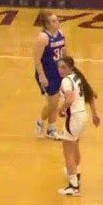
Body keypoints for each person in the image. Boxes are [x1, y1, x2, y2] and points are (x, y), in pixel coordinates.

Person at [54, 56, 100, 197]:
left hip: (73, 118)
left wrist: (60, 109)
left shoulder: (66, 81)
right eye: (59, 67)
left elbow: (69, 99)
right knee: (75, 147)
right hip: (82, 117)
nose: (60, 70)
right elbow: (90, 94)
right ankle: (77, 172)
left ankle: (73, 186)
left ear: (70, 68)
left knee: (67, 152)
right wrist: (94, 114)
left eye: (63, 67)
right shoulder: (77, 78)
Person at [32, 10, 66, 140]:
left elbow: (64, 53)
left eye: (57, 20)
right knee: (54, 101)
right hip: (47, 73)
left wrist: (67, 69)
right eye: (53, 21)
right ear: (47, 24)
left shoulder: (61, 34)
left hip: (58, 72)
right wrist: (42, 76)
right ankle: (48, 127)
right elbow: (37, 59)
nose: (57, 22)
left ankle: (44, 124)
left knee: (54, 102)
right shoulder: (43, 37)